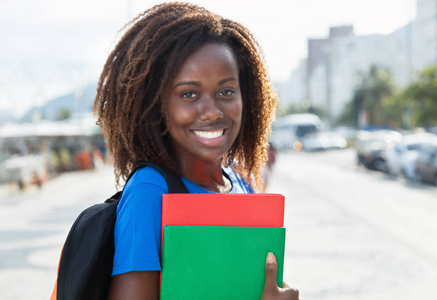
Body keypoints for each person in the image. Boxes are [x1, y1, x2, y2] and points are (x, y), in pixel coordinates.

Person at [93, 2, 300, 299]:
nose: (211, 111)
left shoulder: (240, 183)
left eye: (226, 92)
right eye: (189, 94)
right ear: (156, 105)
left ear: (248, 98)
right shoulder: (150, 191)